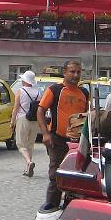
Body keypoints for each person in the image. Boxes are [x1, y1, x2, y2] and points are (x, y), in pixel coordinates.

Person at [38, 60, 89, 211]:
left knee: (76, 174)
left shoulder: (84, 93)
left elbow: (87, 115)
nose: (76, 75)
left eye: (78, 72)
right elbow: (40, 111)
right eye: (72, 72)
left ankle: (71, 206)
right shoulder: (54, 90)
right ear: (65, 72)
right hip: (57, 139)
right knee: (56, 174)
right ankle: (50, 208)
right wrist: (45, 134)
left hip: (78, 142)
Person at [11, 70, 41, 177]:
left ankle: (28, 162)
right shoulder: (38, 92)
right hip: (35, 120)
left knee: (21, 144)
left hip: (22, 118)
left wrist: (12, 122)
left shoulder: (20, 91)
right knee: (30, 144)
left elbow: (15, 108)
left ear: (24, 81)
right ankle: (28, 169)